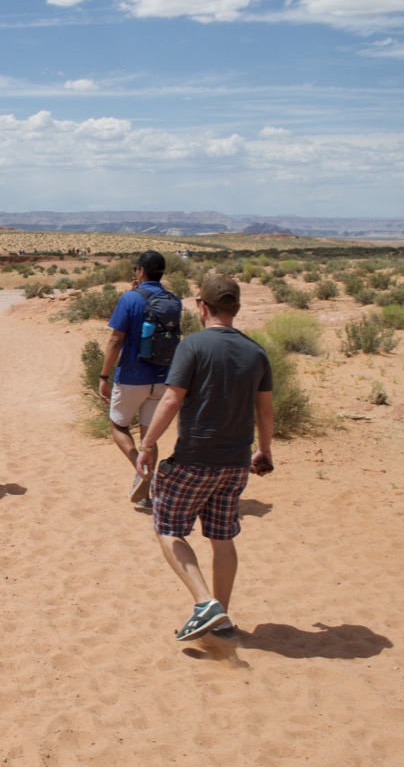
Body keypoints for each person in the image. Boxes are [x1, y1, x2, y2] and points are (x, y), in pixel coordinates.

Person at [135, 274, 274, 641]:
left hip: (194, 459)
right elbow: (266, 411)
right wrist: (264, 450)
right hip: (236, 463)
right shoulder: (256, 351)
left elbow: (171, 399)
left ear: (202, 307)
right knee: (222, 538)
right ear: (237, 309)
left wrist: (148, 445)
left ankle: (204, 603)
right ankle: (222, 618)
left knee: (168, 529)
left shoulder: (193, 346)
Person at [98, 250, 181, 508]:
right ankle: (145, 491)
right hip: (164, 376)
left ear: (141, 271)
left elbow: (115, 340)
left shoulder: (130, 299)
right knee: (149, 437)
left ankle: (141, 469)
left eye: (137, 269)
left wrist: (103, 375)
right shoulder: (174, 300)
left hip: (133, 376)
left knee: (118, 427)